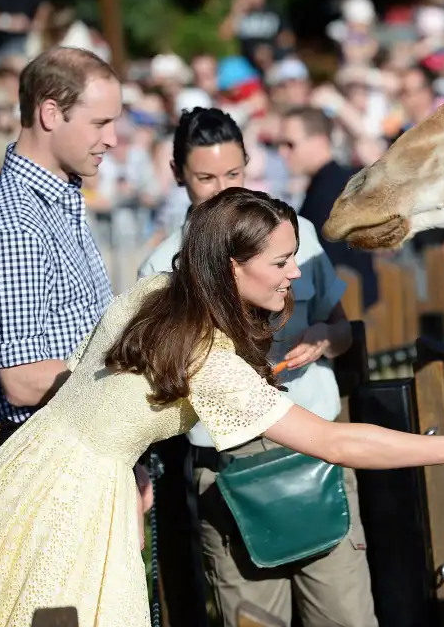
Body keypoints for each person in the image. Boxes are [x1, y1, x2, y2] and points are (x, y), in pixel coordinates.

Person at [0, 186, 444, 626]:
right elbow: (336, 442)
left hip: (27, 463)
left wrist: (126, 453)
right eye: (282, 261)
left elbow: (90, 386)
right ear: (232, 267)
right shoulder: (207, 359)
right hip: (78, 497)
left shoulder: (156, 294)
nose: (295, 273)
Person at [139, 107, 378, 626]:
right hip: (231, 463)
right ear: (178, 173)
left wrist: (322, 338)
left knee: (346, 617)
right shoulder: (162, 267)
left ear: (250, 165)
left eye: (234, 174)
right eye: (206, 178)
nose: (222, 188)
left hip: (315, 445)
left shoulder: (295, 233)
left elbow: (343, 330)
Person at [0, 46, 117, 446]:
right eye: (100, 123)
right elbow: (23, 377)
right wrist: (133, 388)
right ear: (50, 113)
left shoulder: (55, 199)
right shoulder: (17, 224)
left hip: (78, 439)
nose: (113, 139)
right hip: (46, 449)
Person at [280, 106, 379, 309]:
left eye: (290, 144)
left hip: (346, 309)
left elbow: (324, 260)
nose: (283, 153)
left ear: (319, 141)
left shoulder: (329, 192)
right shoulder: (335, 183)